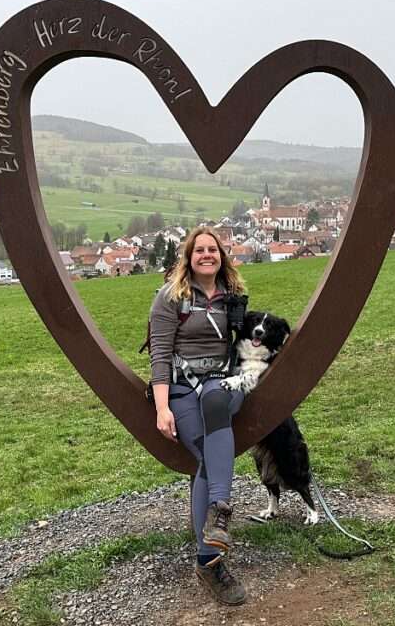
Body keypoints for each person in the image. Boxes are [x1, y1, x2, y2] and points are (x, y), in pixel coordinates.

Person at [149, 225, 248, 605]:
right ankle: (210, 556)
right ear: (188, 258)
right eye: (199, 250)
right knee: (208, 457)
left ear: (221, 257)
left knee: (215, 399)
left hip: (222, 385)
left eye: (213, 250)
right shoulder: (170, 298)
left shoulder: (233, 299)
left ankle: (215, 526)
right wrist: (162, 408)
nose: (207, 255)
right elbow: (159, 357)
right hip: (181, 388)